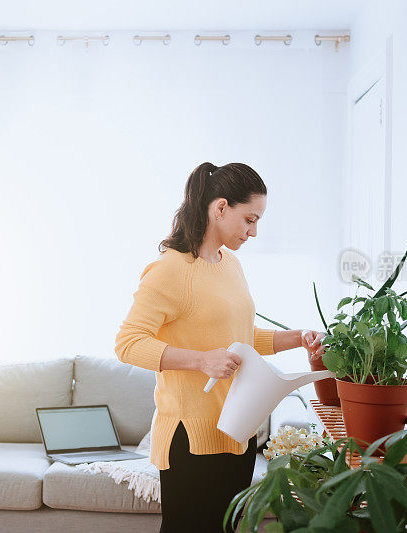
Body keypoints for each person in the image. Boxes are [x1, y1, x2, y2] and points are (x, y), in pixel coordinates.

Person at [115, 161, 326, 533]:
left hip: (236, 429)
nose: (254, 231)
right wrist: (201, 361)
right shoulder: (170, 270)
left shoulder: (230, 264)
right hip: (190, 437)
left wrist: (293, 338)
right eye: (249, 219)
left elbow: (236, 337)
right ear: (220, 208)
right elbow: (129, 343)